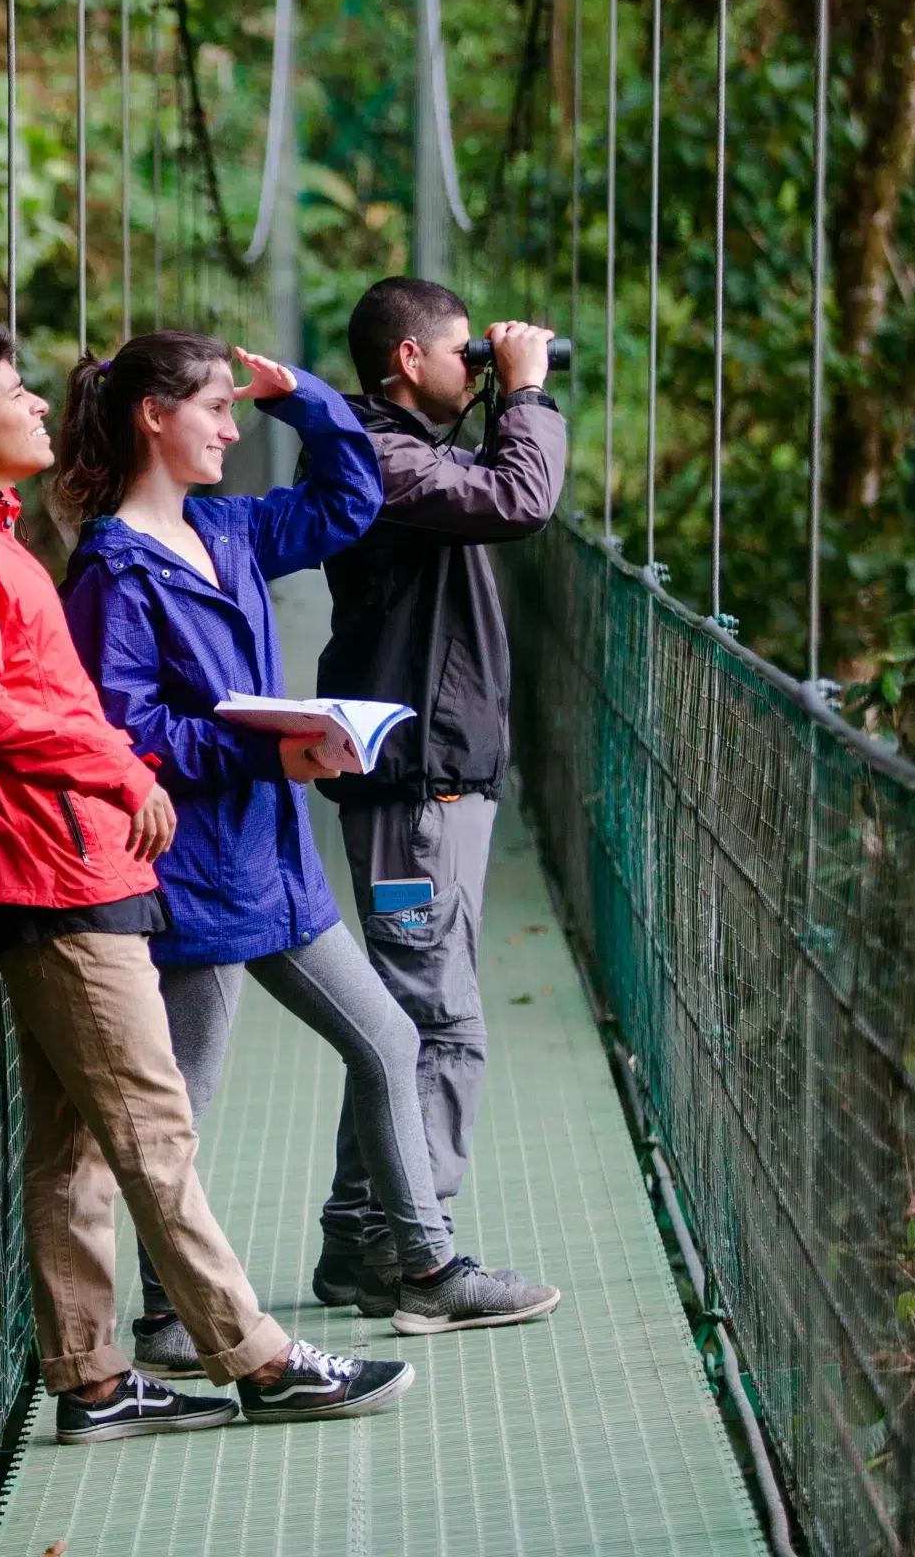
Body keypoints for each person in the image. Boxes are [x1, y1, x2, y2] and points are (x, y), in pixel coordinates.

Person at [0, 323, 415, 1445]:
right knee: (154, 1123)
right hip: (60, 866)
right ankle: (255, 1359)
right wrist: (117, 764)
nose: (40, 408)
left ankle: (93, 1381)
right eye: (15, 393)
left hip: (80, 858)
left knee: (74, 1147)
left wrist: (300, 395)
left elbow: (346, 503)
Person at [56, 331, 562, 1357]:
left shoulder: (232, 528)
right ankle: (161, 1317)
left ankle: (426, 1264)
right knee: (180, 1105)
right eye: (216, 412)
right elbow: (126, 731)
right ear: (156, 418)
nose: (232, 430)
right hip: (189, 869)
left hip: (275, 859)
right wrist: (267, 752)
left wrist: (309, 400)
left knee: (389, 1039)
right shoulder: (112, 571)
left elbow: (348, 503)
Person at [309, 278, 568, 1316]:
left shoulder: (421, 454)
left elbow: (506, 490)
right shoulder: (380, 457)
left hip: (439, 778)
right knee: (437, 1022)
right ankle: (420, 1259)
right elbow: (524, 500)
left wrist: (513, 401)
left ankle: (358, 1237)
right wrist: (530, 396)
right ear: (410, 362)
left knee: (406, 1018)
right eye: (466, 354)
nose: (483, 368)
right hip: (418, 785)